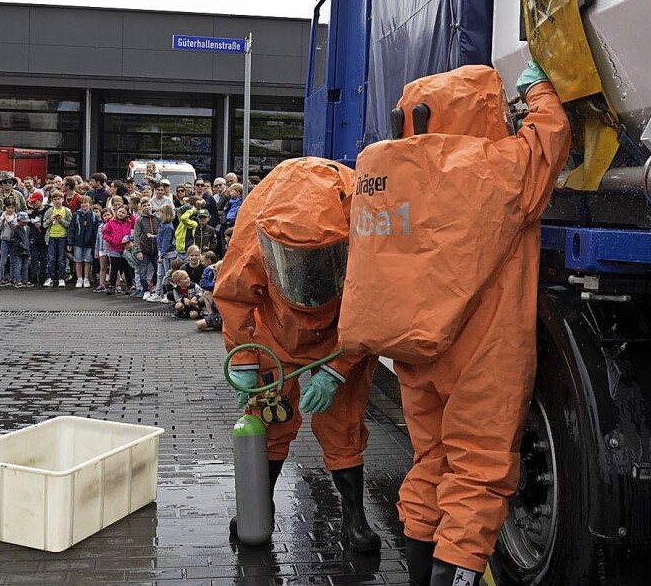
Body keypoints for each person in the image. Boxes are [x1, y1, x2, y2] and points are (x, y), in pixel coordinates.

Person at [337, 64, 571, 585]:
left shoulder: (375, 168)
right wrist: (537, 89)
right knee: (479, 474)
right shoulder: (493, 168)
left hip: (414, 348)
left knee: (432, 461)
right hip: (482, 352)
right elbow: (549, 141)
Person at [214, 156, 380, 552]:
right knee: (266, 422)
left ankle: (354, 517)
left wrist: (338, 369)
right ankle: (259, 506)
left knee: (344, 424)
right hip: (276, 331)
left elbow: (374, 307)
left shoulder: (364, 223)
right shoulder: (258, 226)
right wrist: (244, 362)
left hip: (341, 332)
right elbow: (234, 297)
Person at [101, 204, 135, 295]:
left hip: (125, 248)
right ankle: (112, 286)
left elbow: (135, 222)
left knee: (126, 267)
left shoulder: (129, 222)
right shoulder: (111, 222)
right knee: (114, 268)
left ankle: (129, 285)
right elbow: (105, 233)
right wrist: (112, 241)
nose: (121, 214)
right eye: (119, 211)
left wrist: (130, 213)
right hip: (114, 247)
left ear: (127, 214)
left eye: (123, 212)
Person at [66, 195, 98, 288]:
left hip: (89, 241)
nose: (84, 204)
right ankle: (79, 278)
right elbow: (72, 229)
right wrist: (70, 242)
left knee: (88, 261)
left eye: (86, 202)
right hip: (78, 242)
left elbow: (95, 230)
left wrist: (94, 242)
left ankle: (86, 278)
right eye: (82, 202)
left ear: (90, 204)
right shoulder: (76, 215)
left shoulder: (93, 216)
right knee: (78, 260)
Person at [147, 204, 176, 303]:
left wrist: (162, 255)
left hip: (167, 254)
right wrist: (153, 236)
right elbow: (161, 237)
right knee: (160, 274)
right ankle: (158, 293)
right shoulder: (163, 225)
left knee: (167, 274)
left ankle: (168, 294)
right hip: (162, 253)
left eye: (160, 212)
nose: (157, 214)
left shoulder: (168, 227)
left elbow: (166, 242)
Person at [132, 198, 159, 299]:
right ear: (141, 208)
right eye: (144, 206)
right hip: (144, 250)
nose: (147, 207)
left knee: (158, 270)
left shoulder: (157, 217)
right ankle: (145, 290)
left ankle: (154, 287)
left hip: (156, 249)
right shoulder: (139, 219)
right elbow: (136, 236)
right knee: (142, 271)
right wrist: (138, 250)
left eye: (148, 205)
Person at [43, 191, 71, 287]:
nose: (57, 201)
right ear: (52, 201)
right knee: (51, 258)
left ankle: (61, 278)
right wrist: (50, 220)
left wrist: (61, 221)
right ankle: (49, 277)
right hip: (51, 237)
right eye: (55, 199)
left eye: (59, 199)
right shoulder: (49, 211)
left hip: (62, 237)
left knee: (61, 259)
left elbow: (70, 225)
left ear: (62, 199)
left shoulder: (67, 211)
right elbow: (44, 224)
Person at [26, 191, 47, 286]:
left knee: (44, 258)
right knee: (33, 258)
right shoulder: (31, 212)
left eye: (34, 202)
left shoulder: (47, 211)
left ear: (40, 200)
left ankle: (43, 276)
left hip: (44, 238)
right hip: (34, 238)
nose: (32, 204)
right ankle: (33, 276)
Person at [9, 212, 32, 288]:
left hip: (26, 249)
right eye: (23, 222)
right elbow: (13, 239)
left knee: (25, 266)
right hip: (18, 250)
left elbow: (29, 238)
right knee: (18, 266)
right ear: (18, 221)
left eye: (26, 222)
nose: (24, 223)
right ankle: (18, 280)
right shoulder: (15, 228)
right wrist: (21, 244)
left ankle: (25, 280)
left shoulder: (28, 228)